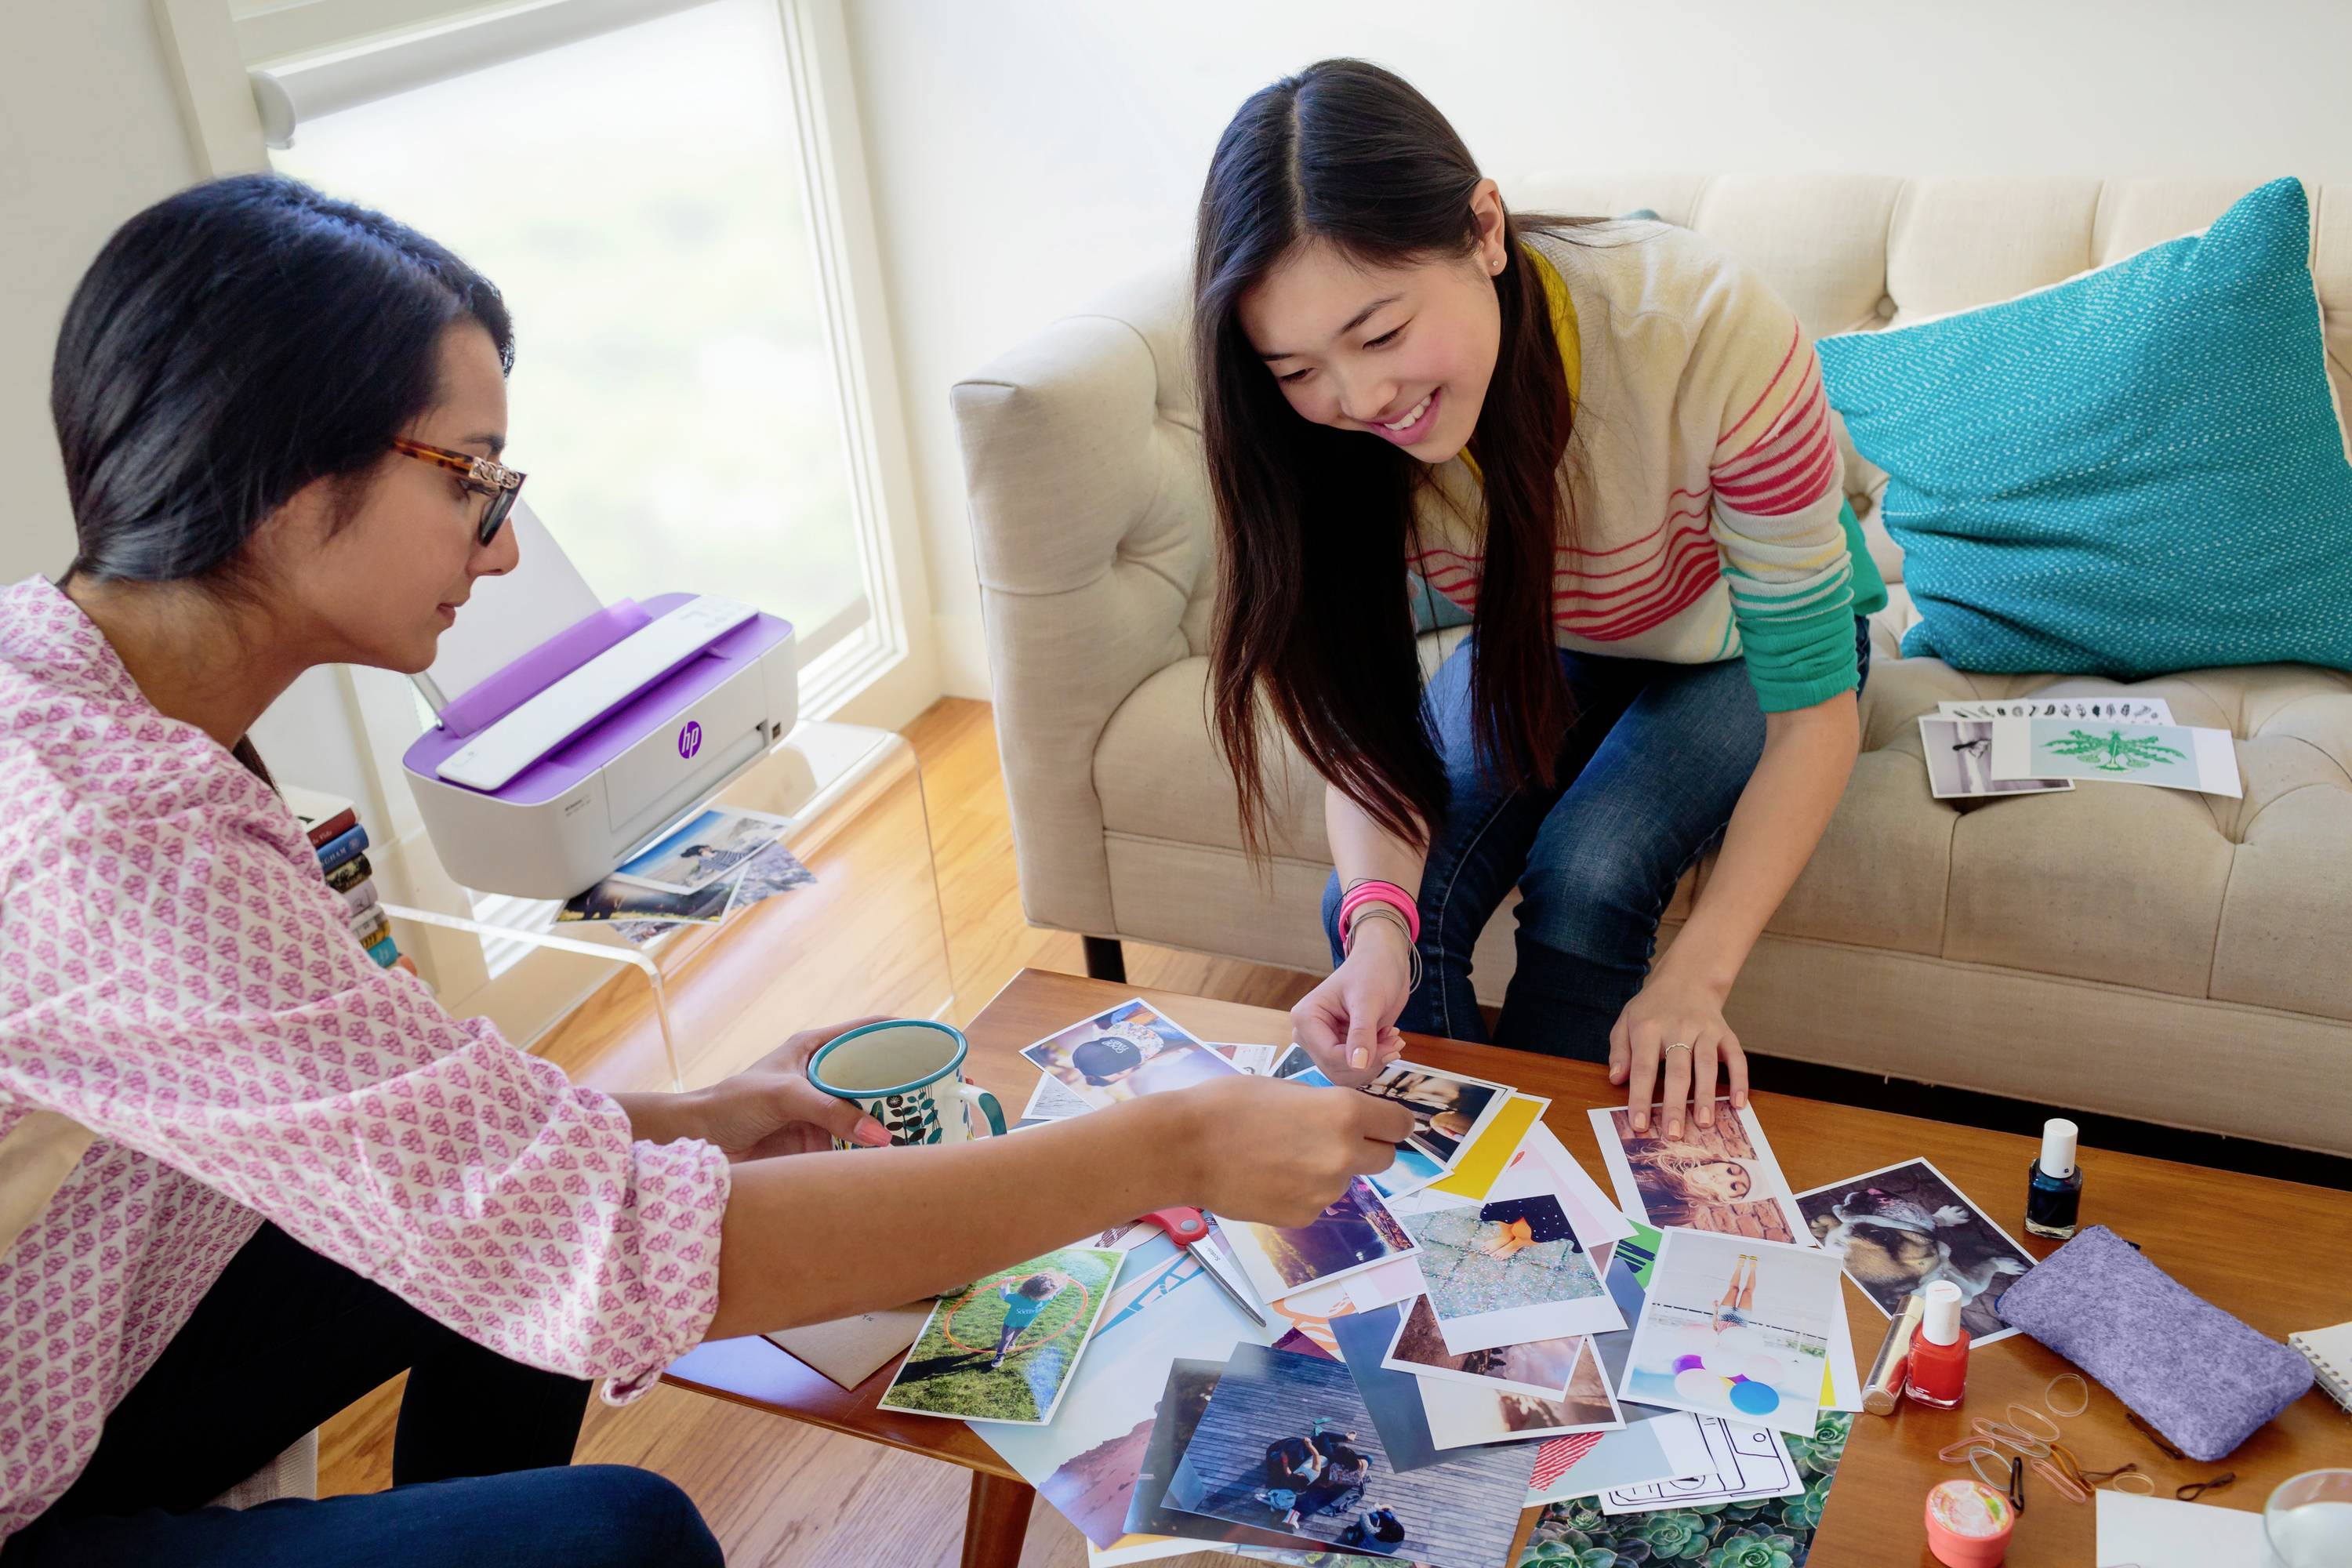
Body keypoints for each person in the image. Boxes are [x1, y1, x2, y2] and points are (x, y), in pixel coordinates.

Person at [0, 173, 1420, 1567]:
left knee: (545, 1206)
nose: (498, 552)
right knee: (626, 1532)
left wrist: (706, 1112)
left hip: (103, 1322)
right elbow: (612, 1246)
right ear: (286, 476)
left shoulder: (81, 677)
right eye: (473, 480)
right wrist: (1166, 1147)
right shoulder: (122, 840)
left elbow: (452, 1143)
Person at [1192, 61, 1883, 1138]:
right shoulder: (1318, 440)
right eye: (1297, 368)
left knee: (1593, 875)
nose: (1360, 400)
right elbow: (1365, 735)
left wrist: (1694, 982)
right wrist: (1378, 934)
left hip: (1739, 638)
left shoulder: (1706, 327)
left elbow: (1812, 716)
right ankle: (1450, 1189)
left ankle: (1560, 1193)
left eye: (1378, 334)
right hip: (1561, 631)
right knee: (1375, 911)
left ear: (1483, 231)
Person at [988, 1272, 1069, 1369]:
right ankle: (1000, 1356)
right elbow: (1004, 1295)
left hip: (1025, 1323)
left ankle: (1012, 1343)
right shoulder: (1019, 1298)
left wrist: (1064, 1281)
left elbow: (1060, 1290)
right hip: (1010, 1323)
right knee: (1005, 1339)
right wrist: (1006, 1283)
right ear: (1036, 1294)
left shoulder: (1048, 1298)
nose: (1051, 1296)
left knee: (1016, 1335)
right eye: (1049, 1294)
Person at [1712, 1253, 1760, 1331]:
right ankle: (1753, 1268)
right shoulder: (1738, 1343)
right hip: (1741, 1321)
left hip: (1724, 1316)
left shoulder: (1716, 1342)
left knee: (1734, 1289)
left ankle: (1740, 1265)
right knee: (1747, 1292)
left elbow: (1714, 1327)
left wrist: (1715, 1310)